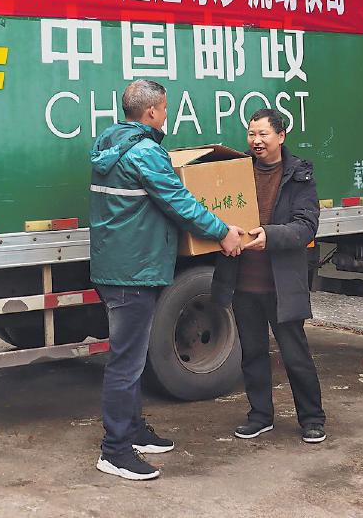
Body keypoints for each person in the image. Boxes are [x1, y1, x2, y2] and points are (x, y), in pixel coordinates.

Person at [89, 79, 245, 481]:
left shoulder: (110, 143)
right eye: (164, 108)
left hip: (118, 266)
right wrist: (222, 231)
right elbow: (180, 202)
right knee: (126, 363)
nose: (167, 114)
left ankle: (133, 431)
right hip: (133, 272)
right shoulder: (145, 152)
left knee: (133, 357)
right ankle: (115, 451)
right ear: (152, 112)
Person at [212, 108, 327, 444]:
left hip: (281, 284)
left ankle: (312, 418)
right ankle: (260, 416)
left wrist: (271, 235)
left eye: (263, 134)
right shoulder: (236, 171)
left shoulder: (299, 176)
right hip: (243, 281)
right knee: (252, 354)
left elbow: (306, 225)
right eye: (251, 134)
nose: (256, 141)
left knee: (295, 355)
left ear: (281, 136)